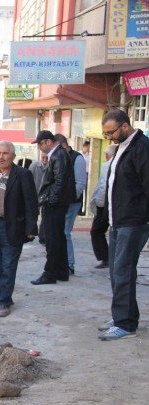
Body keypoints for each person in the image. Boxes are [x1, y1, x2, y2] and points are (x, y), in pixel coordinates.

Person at [98, 109, 149, 340]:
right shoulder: (121, 148)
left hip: (134, 221)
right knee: (117, 272)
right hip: (117, 221)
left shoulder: (142, 148)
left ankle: (125, 324)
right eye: (105, 133)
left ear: (125, 127)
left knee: (122, 271)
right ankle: (124, 315)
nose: (108, 137)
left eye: (111, 132)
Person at [0, 141, 38, 317]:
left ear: (12, 156)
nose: (1, 157)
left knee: (8, 265)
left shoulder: (23, 175)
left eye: (5, 153)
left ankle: (5, 302)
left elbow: (31, 203)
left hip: (13, 227)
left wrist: (31, 228)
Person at [31, 130, 75, 285]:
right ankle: (61, 271)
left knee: (52, 239)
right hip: (57, 203)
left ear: (48, 142)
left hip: (55, 204)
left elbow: (60, 181)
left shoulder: (58, 155)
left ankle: (50, 273)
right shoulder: (58, 155)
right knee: (58, 237)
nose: (39, 148)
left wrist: (51, 201)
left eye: (40, 144)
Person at [55, 134, 87, 275]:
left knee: (65, 232)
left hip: (71, 203)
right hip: (60, 203)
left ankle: (69, 264)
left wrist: (70, 199)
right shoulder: (58, 158)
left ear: (63, 145)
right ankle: (60, 262)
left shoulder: (77, 158)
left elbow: (80, 184)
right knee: (59, 233)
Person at [89, 144, 117, 269]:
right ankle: (108, 258)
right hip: (110, 204)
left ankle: (106, 258)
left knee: (97, 231)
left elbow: (103, 188)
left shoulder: (108, 165)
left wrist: (98, 204)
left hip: (106, 204)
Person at [29, 152, 48, 244]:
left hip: (45, 196)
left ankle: (43, 237)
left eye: (47, 158)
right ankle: (31, 233)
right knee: (33, 214)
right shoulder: (34, 166)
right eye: (43, 157)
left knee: (45, 216)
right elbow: (28, 180)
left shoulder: (51, 166)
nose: (45, 160)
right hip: (34, 194)